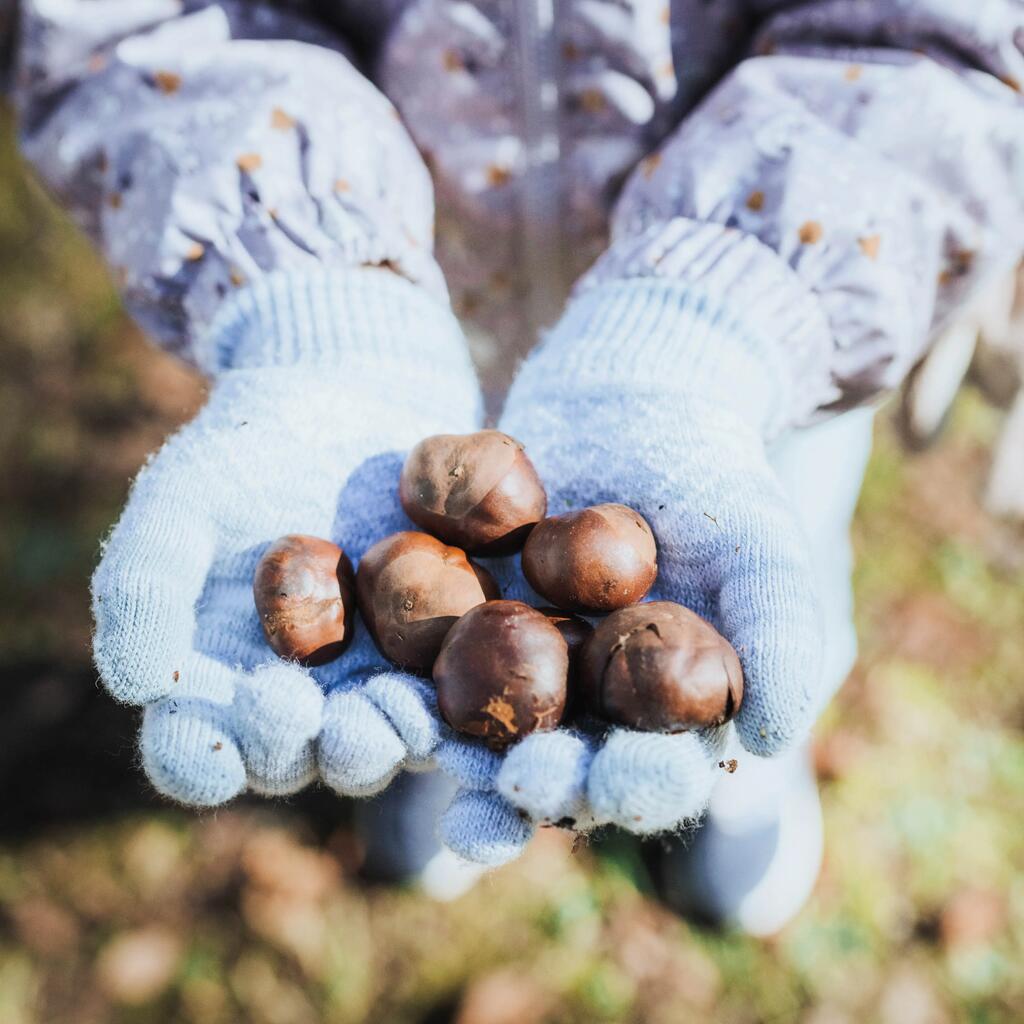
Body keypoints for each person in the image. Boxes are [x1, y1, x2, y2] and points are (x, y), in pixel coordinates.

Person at [11, 1, 1023, 935]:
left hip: (740, 334)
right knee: (464, 662)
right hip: (409, 277)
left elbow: (944, 38)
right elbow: (131, 24)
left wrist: (724, 317)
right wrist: (307, 287)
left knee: (755, 542)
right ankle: (427, 753)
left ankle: (744, 759)